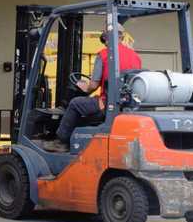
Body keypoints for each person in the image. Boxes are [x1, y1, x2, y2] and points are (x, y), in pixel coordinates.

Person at [45, 24, 142, 152]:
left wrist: (84, 86)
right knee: (86, 104)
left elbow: (93, 85)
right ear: (121, 37)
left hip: (108, 104)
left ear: (105, 38)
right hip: (126, 104)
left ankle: (61, 142)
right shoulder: (135, 56)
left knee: (75, 103)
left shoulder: (104, 55)